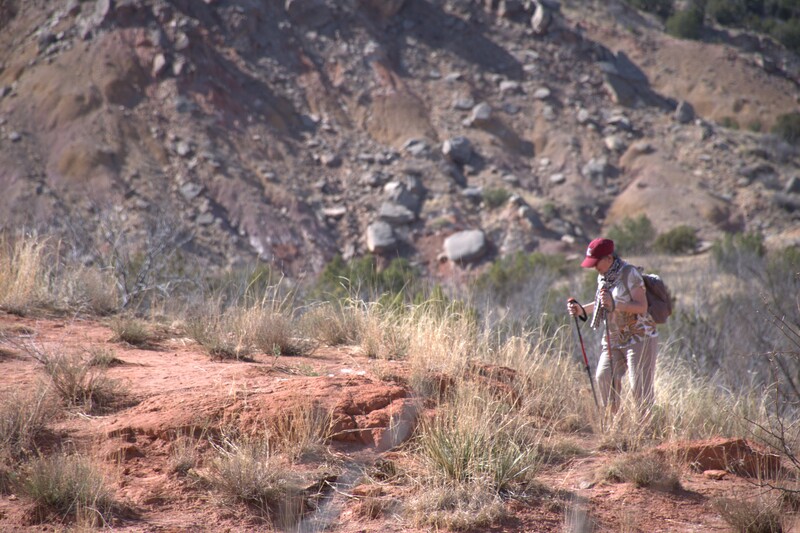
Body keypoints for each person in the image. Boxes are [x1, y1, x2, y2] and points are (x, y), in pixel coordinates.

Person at [567, 238, 659, 413]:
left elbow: (642, 306)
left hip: (640, 338)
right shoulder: (603, 277)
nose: (594, 267)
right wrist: (581, 310)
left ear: (609, 258)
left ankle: (645, 434)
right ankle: (614, 426)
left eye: (596, 262)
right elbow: (602, 304)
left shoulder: (629, 273)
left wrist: (616, 304)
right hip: (614, 339)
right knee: (604, 377)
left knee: (639, 389)